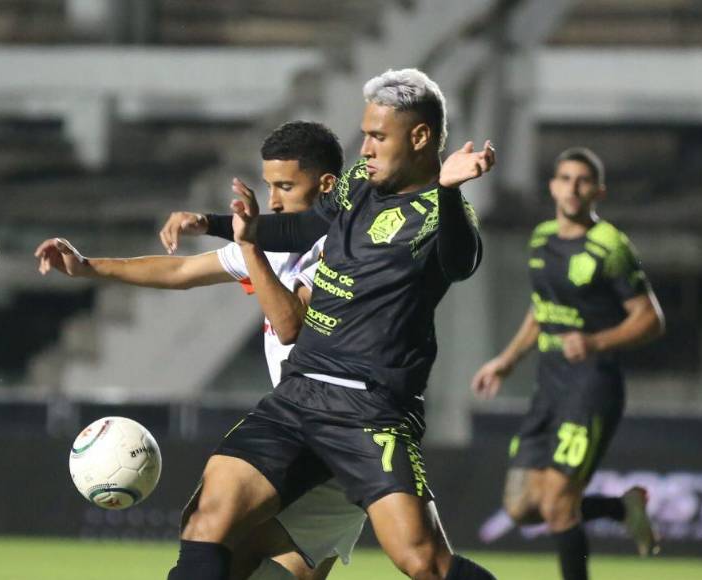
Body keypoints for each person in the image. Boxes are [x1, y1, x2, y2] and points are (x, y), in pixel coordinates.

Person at [38, 120, 414, 580]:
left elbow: (290, 323)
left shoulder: (347, 248)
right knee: (211, 533)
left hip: (347, 431)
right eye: (269, 185)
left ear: (327, 185)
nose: (273, 199)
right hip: (300, 427)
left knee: (221, 537)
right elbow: (178, 273)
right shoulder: (277, 246)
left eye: (285, 186)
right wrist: (87, 267)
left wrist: (250, 247)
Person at [165, 68, 496, 580]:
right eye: (365, 133)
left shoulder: (441, 214)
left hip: (369, 408)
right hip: (299, 393)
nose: (363, 147)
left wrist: (451, 192)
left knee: (423, 562)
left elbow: (461, 261)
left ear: (420, 137)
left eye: (377, 136)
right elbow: (304, 225)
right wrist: (218, 225)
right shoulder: (360, 184)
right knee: (207, 519)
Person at [470, 147, 664, 580]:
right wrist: (506, 361)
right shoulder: (541, 239)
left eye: (583, 181)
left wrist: (595, 341)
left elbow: (651, 319)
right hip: (549, 385)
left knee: (558, 503)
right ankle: (622, 508)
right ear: (553, 186)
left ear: (598, 191)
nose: (573, 188)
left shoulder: (609, 246)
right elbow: (542, 311)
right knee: (521, 507)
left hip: (592, 386)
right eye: (565, 179)